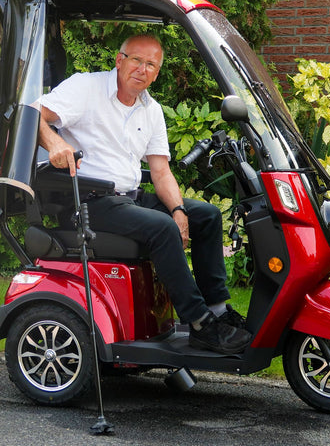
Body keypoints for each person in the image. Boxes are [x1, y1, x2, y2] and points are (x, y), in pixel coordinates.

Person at [38, 34, 251, 354]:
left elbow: (161, 171)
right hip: (86, 201)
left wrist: (178, 210)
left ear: (156, 73)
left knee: (206, 216)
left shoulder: (151, 110)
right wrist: (54, 142)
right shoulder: (86, 87)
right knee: (162, 228)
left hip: (127, 198)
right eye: (136, 59)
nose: (142, 69)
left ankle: (218, 311)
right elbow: (32, 113)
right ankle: (199, 323)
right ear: (119, 60)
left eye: (151, 64)